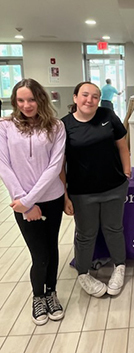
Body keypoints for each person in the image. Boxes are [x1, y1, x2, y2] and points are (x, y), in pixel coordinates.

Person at [0, 78, 66, 325]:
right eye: (21, 100)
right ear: (15, 101)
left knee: (51, 248)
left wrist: (31, 199)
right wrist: (24, 201)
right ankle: (38, 296)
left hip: (51, 198)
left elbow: (54, 167)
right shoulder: (5, 126)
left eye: (31, 99)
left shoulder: (56, 126)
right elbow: (3, 164)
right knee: (39, 253)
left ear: (41, 99)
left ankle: (52, 293)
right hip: (21, 201)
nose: (27, 105)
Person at [61, 81, 131, 298]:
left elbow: (122, 145)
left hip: (114, 187)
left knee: (113, 229)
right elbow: (59, 164)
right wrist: (65, 196)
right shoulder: (63, 125)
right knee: (85, 234)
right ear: (75, 98)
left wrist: (127, 173)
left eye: (95, 96)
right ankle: (83, 273)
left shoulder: (108, 117)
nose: (89, 100)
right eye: (84, 95)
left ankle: (119, 267)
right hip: (82, 192)